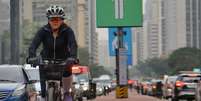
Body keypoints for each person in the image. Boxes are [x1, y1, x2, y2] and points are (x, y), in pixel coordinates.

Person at [28, 5, 78, 101]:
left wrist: (72, 57)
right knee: (42, 95)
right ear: (48, 20)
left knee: (68, 71)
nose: (55, 22)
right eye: (52, 19)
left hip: (63, 60)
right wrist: (32, 56)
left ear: (62, 20)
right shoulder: (43, 31)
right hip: (46, 60)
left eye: (58, 19)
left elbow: (73, 45)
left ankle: (67, 93)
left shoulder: (68, 31)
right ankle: (44, 96)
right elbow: (33, 44)